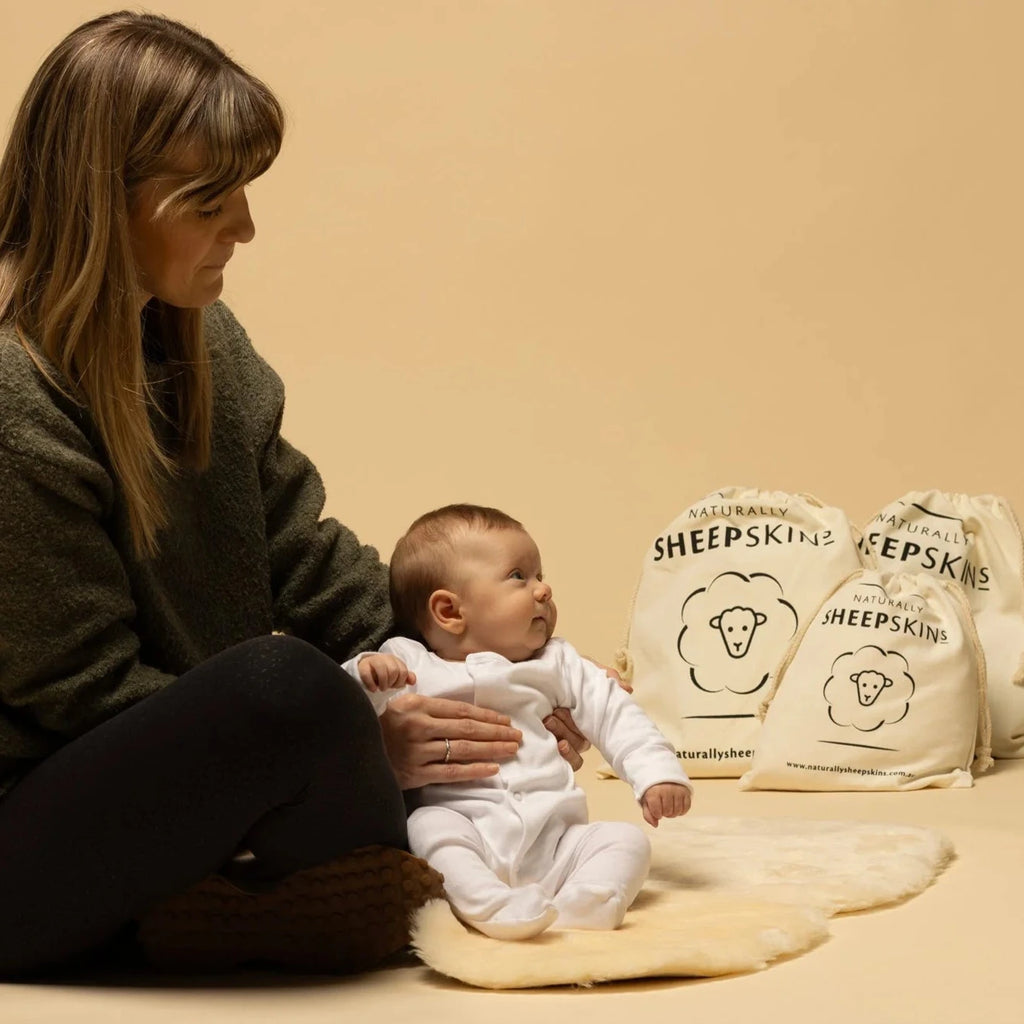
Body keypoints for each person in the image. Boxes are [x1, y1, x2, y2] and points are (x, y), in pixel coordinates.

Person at [0, 12, 594, 976]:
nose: (245, 225)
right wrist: (359, 734)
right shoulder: (10, 395)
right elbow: (79, 693)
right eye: (208, 200)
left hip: (204, 799)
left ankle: (306, 884)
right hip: (29, 854)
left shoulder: (207, 345)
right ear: (100, 202)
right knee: (286, 690)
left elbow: (310, 565)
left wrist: (504, 676)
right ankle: (315, 880)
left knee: (398, 638)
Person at [344, 505, 694, 939]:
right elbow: (337, 712)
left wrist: (657, 774)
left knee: (626, 842)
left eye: (541, 574)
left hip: (556, 839)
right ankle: (491, 905)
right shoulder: (407, 661)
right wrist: (366, 675)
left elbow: (615, 712)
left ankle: (586, 900)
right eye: (518, 576)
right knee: (426, 828)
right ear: (450, 611)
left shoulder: (559, 662)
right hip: (466, 829)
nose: (544, 589)